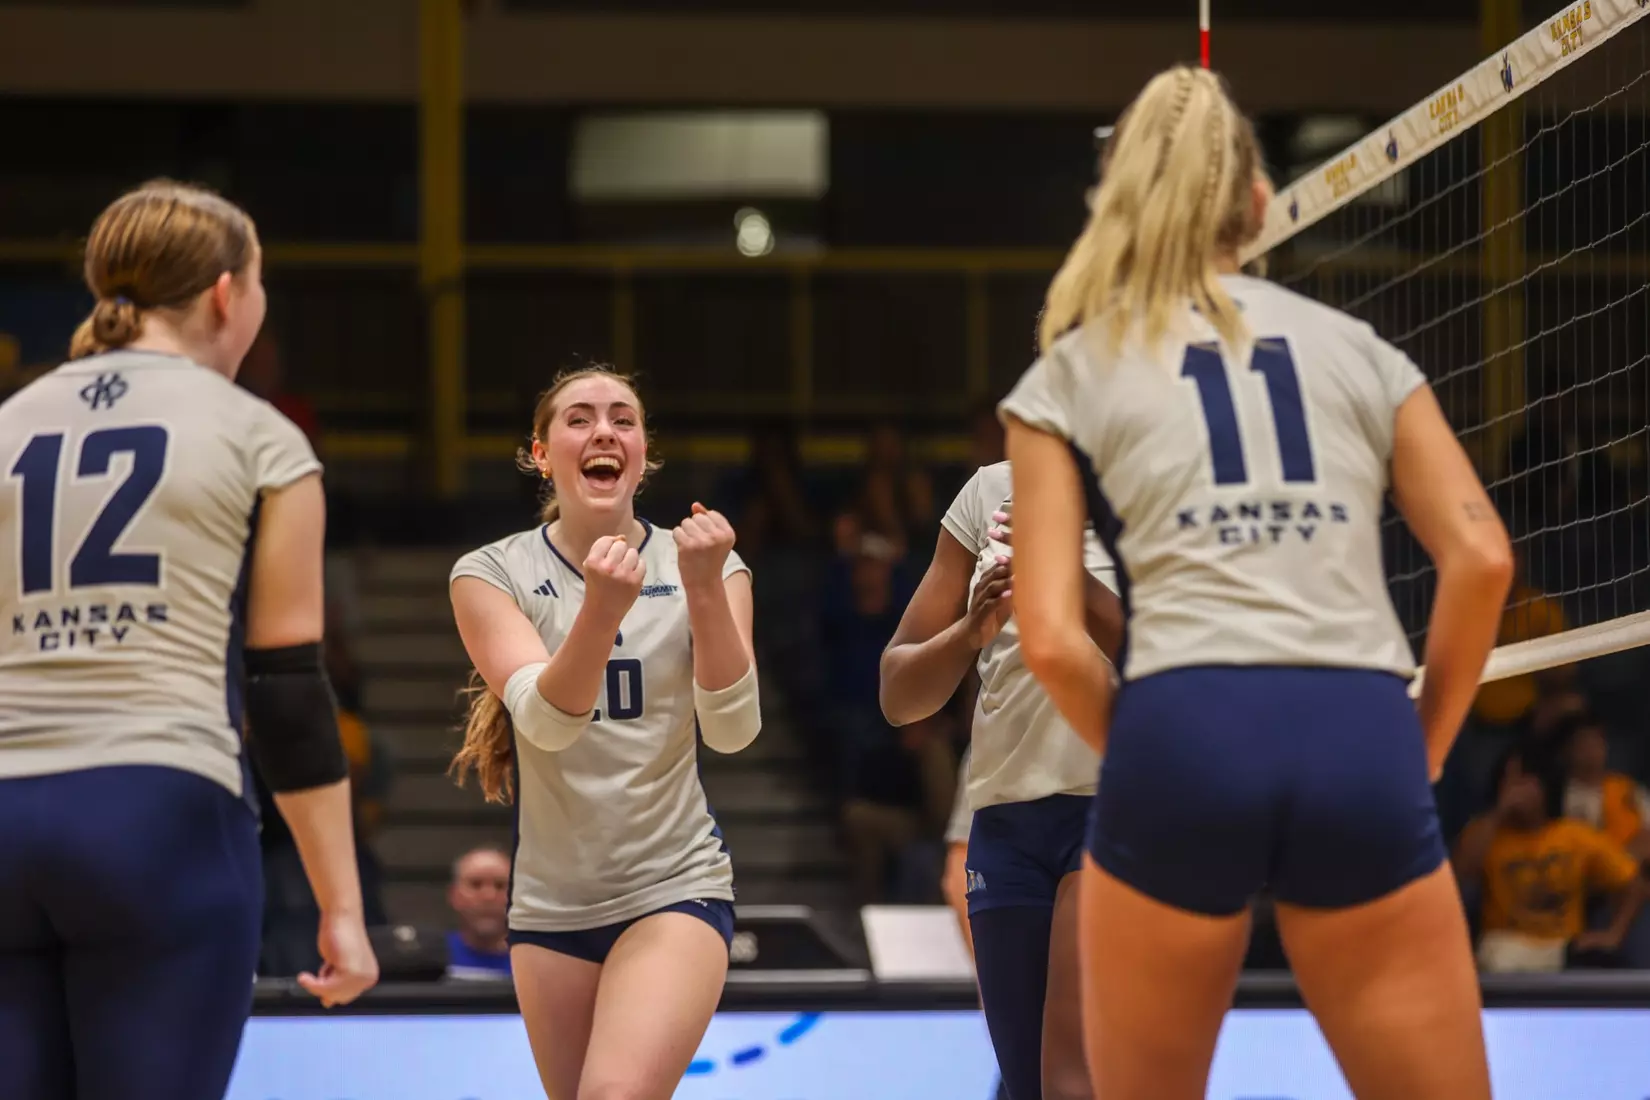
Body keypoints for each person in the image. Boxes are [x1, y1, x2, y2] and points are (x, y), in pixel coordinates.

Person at [1000, 67, 1513, 1100]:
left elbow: (1048, 637)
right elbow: (1483, 559)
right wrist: (1417, 749)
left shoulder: (1067, 370)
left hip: (1182, 724)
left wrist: (1154, 751)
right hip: (1358, 728)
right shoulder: (1360, 350)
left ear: (1118, 199)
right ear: (1261, 203)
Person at [0, 181, 378, 1100]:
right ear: (225, 293)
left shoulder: (7, 422)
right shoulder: (261, 435)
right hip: (159, 814)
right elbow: (287, 688)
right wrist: (341, 906)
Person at [449, 365, 760, 1100]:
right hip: (550, 906)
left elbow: (733, 730)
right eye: (580, 418)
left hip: (674, 885)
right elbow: (546, 725)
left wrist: (704, 587)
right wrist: (601, 609)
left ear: (644, 455)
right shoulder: (490, 571)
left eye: (623, 419)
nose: (604, 432)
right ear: (540, 453)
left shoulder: (708, 562)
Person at [881, 465, 1121, 1100]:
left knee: (1072, 1081)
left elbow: (1174, 657)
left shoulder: (1159, 473)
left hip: (1114, 809)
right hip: (1004, 825)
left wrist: (1063, 574)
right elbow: (899, 694)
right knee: (1028, 1085)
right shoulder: (988, 491)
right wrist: (969, 632)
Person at [1453, 743, 1646, 972]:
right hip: (1504, 946)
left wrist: (1613, 934)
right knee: (1495, 958)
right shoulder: (1486, 833)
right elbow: (1458, 874)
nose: (1517, 791)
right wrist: (1500, 810)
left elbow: (1634, 883)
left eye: (1524, 781)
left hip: (1563, 948)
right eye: (1510, 782)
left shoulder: (1575, 836)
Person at [446, 846, 514, 981]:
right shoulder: (429, 958)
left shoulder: (534, 963)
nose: (488, 896)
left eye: (500, 885)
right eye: (476, 884)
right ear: (454, 895)